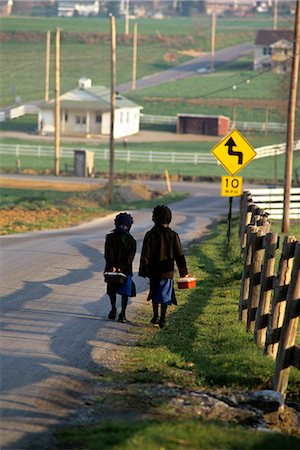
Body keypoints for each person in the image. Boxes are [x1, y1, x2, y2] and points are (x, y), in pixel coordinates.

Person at [138, 205, 189, 329]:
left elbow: (145, 255)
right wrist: (184, 272)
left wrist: (144, 270)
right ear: (169, 219)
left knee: (155, 293)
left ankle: (155, 316)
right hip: (167, 271)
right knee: (165, 294)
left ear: (154, 218)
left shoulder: (149, 235)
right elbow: (179, 255)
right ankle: (163, 318)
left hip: (153, 271)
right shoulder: (173, 235)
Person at [104, 212, 136, 323]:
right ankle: (123, 313)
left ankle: (113, 308)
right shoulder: (131, 240)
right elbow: (130, 258)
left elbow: (108, 254)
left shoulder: (109, 237)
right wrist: (121, 267)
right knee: (125, 291)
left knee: (111, 288)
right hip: (126, 270)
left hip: (111, 268)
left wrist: (113, 266)